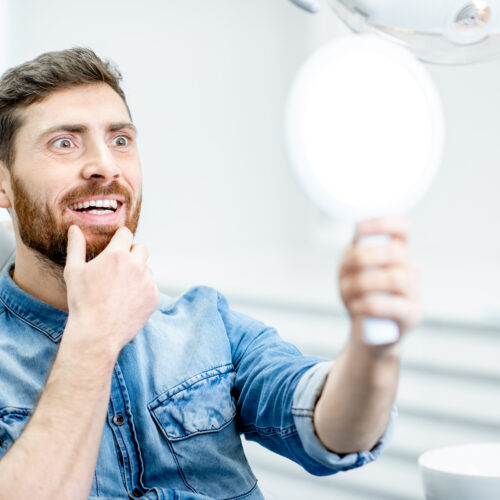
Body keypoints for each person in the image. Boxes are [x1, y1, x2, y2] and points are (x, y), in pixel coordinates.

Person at [0, 48, 419, 500]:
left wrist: (375, 344)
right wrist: (94, 335)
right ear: (3, 183)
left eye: (121, 140)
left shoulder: (207, 323)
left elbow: (335, 430)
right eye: (65, 142)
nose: (106, 165)